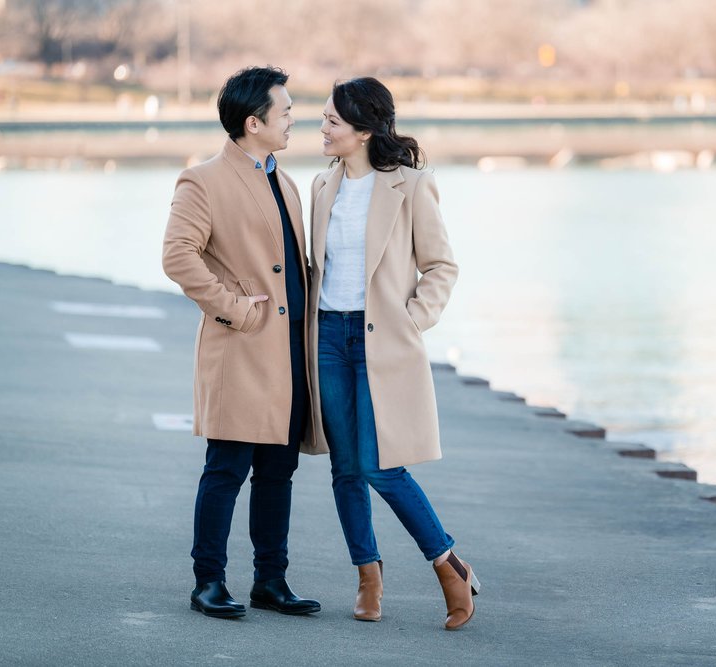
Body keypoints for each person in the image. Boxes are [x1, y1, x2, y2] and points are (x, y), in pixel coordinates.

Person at [308, 77, 479, 630]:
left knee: (380, 466)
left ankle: (446, 563)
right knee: (344, 468)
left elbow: (441, 266)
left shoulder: (410, 184)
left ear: (362, 130)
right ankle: (368, 575)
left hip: (383, 339)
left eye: (333, 121)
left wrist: (412, 320)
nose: (323, 129)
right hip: (329, 337)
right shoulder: (319, 187)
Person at [162, 66, 320, 618]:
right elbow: (178, 257)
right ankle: (208, 582)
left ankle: (270, 581)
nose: (294, 119)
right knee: (226, 469)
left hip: (290, 352)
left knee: (279, 471)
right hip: (242, 348)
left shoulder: (287, 181)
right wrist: (233, 309)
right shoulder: (202, 180)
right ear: (254, 123)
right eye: (286, 112)